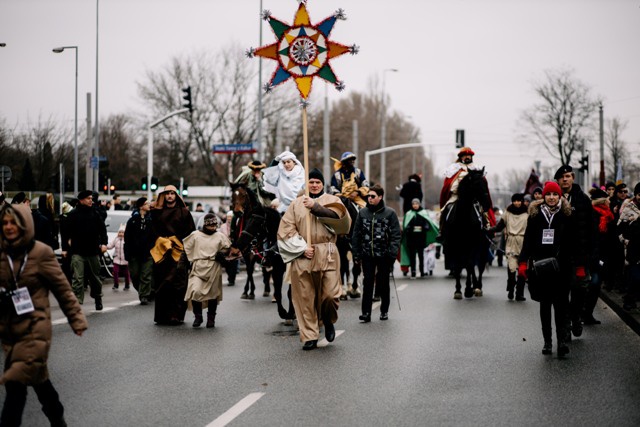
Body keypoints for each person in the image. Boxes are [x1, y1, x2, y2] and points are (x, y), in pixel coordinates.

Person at [0, 203, 88, 426]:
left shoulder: (41, 253)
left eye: (14, 222)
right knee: (40, 381)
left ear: (24, 225)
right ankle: (57, 417)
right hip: (10, 328)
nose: (9, 227)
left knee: (15, 383)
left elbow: (62, 289)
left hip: (35, 326)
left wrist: (76, 319)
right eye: (4, 223)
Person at [277, 169, 351, 350]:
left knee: (330, 295)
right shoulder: (295, 204)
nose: (314, 185)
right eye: (311, 182)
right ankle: (310, 335)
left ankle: (328, 319)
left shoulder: (333, 201)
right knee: (305, 297)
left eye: (318, 182)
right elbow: (285, 230)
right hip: (304, 255)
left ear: (322, 184)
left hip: (327, 252)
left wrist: (315, 207)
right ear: (306, 184)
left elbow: (341, 221)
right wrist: (301, 249)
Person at [518, 181, 581, 358]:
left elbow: (576, 243)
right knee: (545, 305)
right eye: (548, 195)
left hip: (562, 267)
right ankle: (548, 341)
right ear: (543, 197)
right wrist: (523, 263)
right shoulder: (535, 216)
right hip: (541, 267)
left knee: (561, 305)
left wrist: (580, 265)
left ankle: (561, 341)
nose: (551, 198)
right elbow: (528, 242)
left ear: (559, 196)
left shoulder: (568, 215)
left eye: (554, 194)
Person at [555, 164, 595, 339]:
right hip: (559, 256)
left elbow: (592, 228)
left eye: (569, 176)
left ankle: (576, 316)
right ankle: (564, 325)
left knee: (580, 289)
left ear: (573, 178)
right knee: (562, 293)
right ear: (557, 180)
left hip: (580, 255)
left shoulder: (583, 200)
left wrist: (592, 253)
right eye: (562, 177)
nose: (566, 179)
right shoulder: (552, 199)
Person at [352, 184, 402, 323]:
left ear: (380, 197)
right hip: (367, 255)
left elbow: (396, 235)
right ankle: (366, 313)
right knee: (367, 283)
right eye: (368, 196)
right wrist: (356, 253)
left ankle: (384, 311)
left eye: (373, 196)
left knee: (383, 283)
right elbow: (356, 234)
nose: (369, 198)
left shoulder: (390, 213)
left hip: (384, 256)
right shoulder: (362, 213)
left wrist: (392, 253)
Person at [150, 185, 195, 325]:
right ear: (164, 196)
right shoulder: (157, 213)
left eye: (172, 193)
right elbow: (152, 231)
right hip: (162, 251)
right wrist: (162, 241)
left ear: (176, 196)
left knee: (179, 284)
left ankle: (176, 315)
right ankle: (162, 316)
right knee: (162, 283)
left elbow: (191, 233)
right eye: (167, 193)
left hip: (179, 251)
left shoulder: (184, 212)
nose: (170, 196)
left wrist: (179, 243)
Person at [183, 213, 231, 328]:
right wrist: (183, 263)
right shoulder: (195, 235)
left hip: (213, 267)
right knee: (195, 291)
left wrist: (223, 254)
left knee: (212, 294)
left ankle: (211, 319)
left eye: (215, 225)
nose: (213, 228)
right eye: (211, 226)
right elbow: (186, 249)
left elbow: (228, 249)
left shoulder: (220, 236)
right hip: (198, 266)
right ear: (205, 225)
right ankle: (198, 316)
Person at [439, 147, 495, 240]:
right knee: (446, 209)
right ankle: (442, 230)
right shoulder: (454, 169)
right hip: (456, 196)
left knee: (483, 211)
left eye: (468, 155)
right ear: (461, 157)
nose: (467, 157)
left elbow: (482, 186)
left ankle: (486, 228)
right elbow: (448, 185)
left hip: (473, 198)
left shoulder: (477, 169)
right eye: (464, 156)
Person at [65, 190, 108, 310]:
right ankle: (77, 302)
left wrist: (104, 243)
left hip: (93, 251)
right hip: (77, 251)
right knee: (78, 278)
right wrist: (66, 246)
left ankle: (97, 297)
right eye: (89, 198)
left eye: (91, 198)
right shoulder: (73, 214)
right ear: (81, 200)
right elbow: (65, 231)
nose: (91, 200)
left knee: (95, 278)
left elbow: (102, 229)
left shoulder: (95, 213)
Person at [583, 188, 615, 324]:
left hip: (603, 255)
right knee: (593, 283)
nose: (609, 201)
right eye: (607, 199)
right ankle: (583, 313)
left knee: (596, 285)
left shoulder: (608, 215)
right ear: (602, 201)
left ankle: (587, 314)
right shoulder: (592, 214)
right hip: (591, 255)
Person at [492, 193, 528, 301]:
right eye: (515, 201)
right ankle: (511, 288)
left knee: (522, 270)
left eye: (519, 201)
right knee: (512, 268)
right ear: (512, 201)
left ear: (522, 201)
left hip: (523, 242)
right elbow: (499, 227)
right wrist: (488, 230)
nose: (517, 203)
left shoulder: (528, 214)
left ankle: (519, 293)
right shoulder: (507, 213)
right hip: (511, 242)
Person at [124, 197, 154, 305]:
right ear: (141, 206)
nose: (149, 205)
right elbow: (127, 238)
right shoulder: (132, 221)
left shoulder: (150, 220)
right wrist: (127, 253)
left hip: (147, 253)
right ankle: (142, 291)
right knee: (135, 275)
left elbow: (153, 236)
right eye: (147, 203)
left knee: (146, 275)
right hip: (134, 253)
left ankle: (144, 295)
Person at [400, 198, 438, 278]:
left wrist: (423, 227)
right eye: (413, 204)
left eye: (416, 204)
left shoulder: (423, 213)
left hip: (421, 238)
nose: (415, 205)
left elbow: (427, 224)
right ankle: (413, 271)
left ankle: (422, 271)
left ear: (419, 204)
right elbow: (406, 226)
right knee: (412, 256)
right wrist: (410, 228)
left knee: (421, 255)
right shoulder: (408, 214)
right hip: (411, 238)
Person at [618, 182, 640, 310]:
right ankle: (629, 298)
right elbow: (620, 228)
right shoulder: (629, 208)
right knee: (635, 277)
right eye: (639, 194)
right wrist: (625, 241)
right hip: (633, 249)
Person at [219, 210, 239, 286]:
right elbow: (220, 236)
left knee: (234, 264)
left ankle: (232, 280)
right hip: (225, 248)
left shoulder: (237, 225)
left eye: (231, 217)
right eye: (228, 217)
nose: (229, 218)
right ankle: (229, 276)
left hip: (234, 247)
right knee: (226, 264)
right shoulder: (223, 226)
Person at [108, 224, 130, 291]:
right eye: (120, 232)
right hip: (117, 259)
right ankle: (116, 284)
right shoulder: (116, 239)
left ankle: (127, 285)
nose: (121, 234)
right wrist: (105, 247)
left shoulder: (127, 240)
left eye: (122, 232)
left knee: (126, 273)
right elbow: (111, 245)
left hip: (125, 260)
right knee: (115, 271)